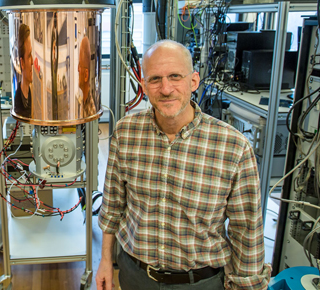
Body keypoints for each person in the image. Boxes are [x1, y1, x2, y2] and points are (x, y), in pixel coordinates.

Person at [95, 39, 271, 290]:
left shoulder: (233, 147)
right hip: (136, 276)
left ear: (194, 81)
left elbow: (247, 232)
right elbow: (112, 206)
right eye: (155, 79)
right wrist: (104, 261)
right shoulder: (126, 133)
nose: (166, 89)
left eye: (175, 76)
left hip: (200, 282)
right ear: (144, 85)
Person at [14, 23, 32, 118]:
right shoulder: (19, 100)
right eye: (29, 56)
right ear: (22, 63)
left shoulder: (31, 95)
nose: (33, 62)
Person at [77, 36, 96, 117]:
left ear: (86, 75)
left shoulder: (90, 113)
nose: (77, 69)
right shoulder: (82, 100)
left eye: (79, 65)